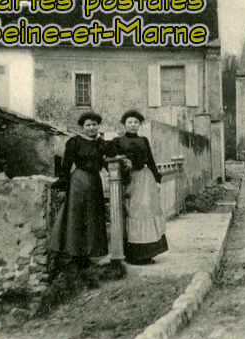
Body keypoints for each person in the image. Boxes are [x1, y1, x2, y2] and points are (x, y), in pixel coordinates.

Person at [49, 111, 112, 287]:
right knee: (76, 218)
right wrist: (63, 184)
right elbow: (66, 165)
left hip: (94, 183)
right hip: (78, 182)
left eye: (94, 125)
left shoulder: (102, 144)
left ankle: (87, 256)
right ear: (82, 127)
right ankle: (75, 257)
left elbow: (109, 163)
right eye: (88, 125)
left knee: (92, 218)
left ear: (98, 126)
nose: (91, 128)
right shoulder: (74, 142)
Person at [110, 110, 168, 265]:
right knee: (133, 213)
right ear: (124, 124)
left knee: (147, 211)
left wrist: (157, 179)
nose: (133, 125)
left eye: (136, 122)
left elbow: (150, 159)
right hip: (130, 180)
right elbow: (111, 158)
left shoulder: (144, 140)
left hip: (145, 179)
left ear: (139, 125)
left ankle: (148, 253)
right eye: (130, 122)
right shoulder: (117, 141)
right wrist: (124, 162)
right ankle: (134, 255)